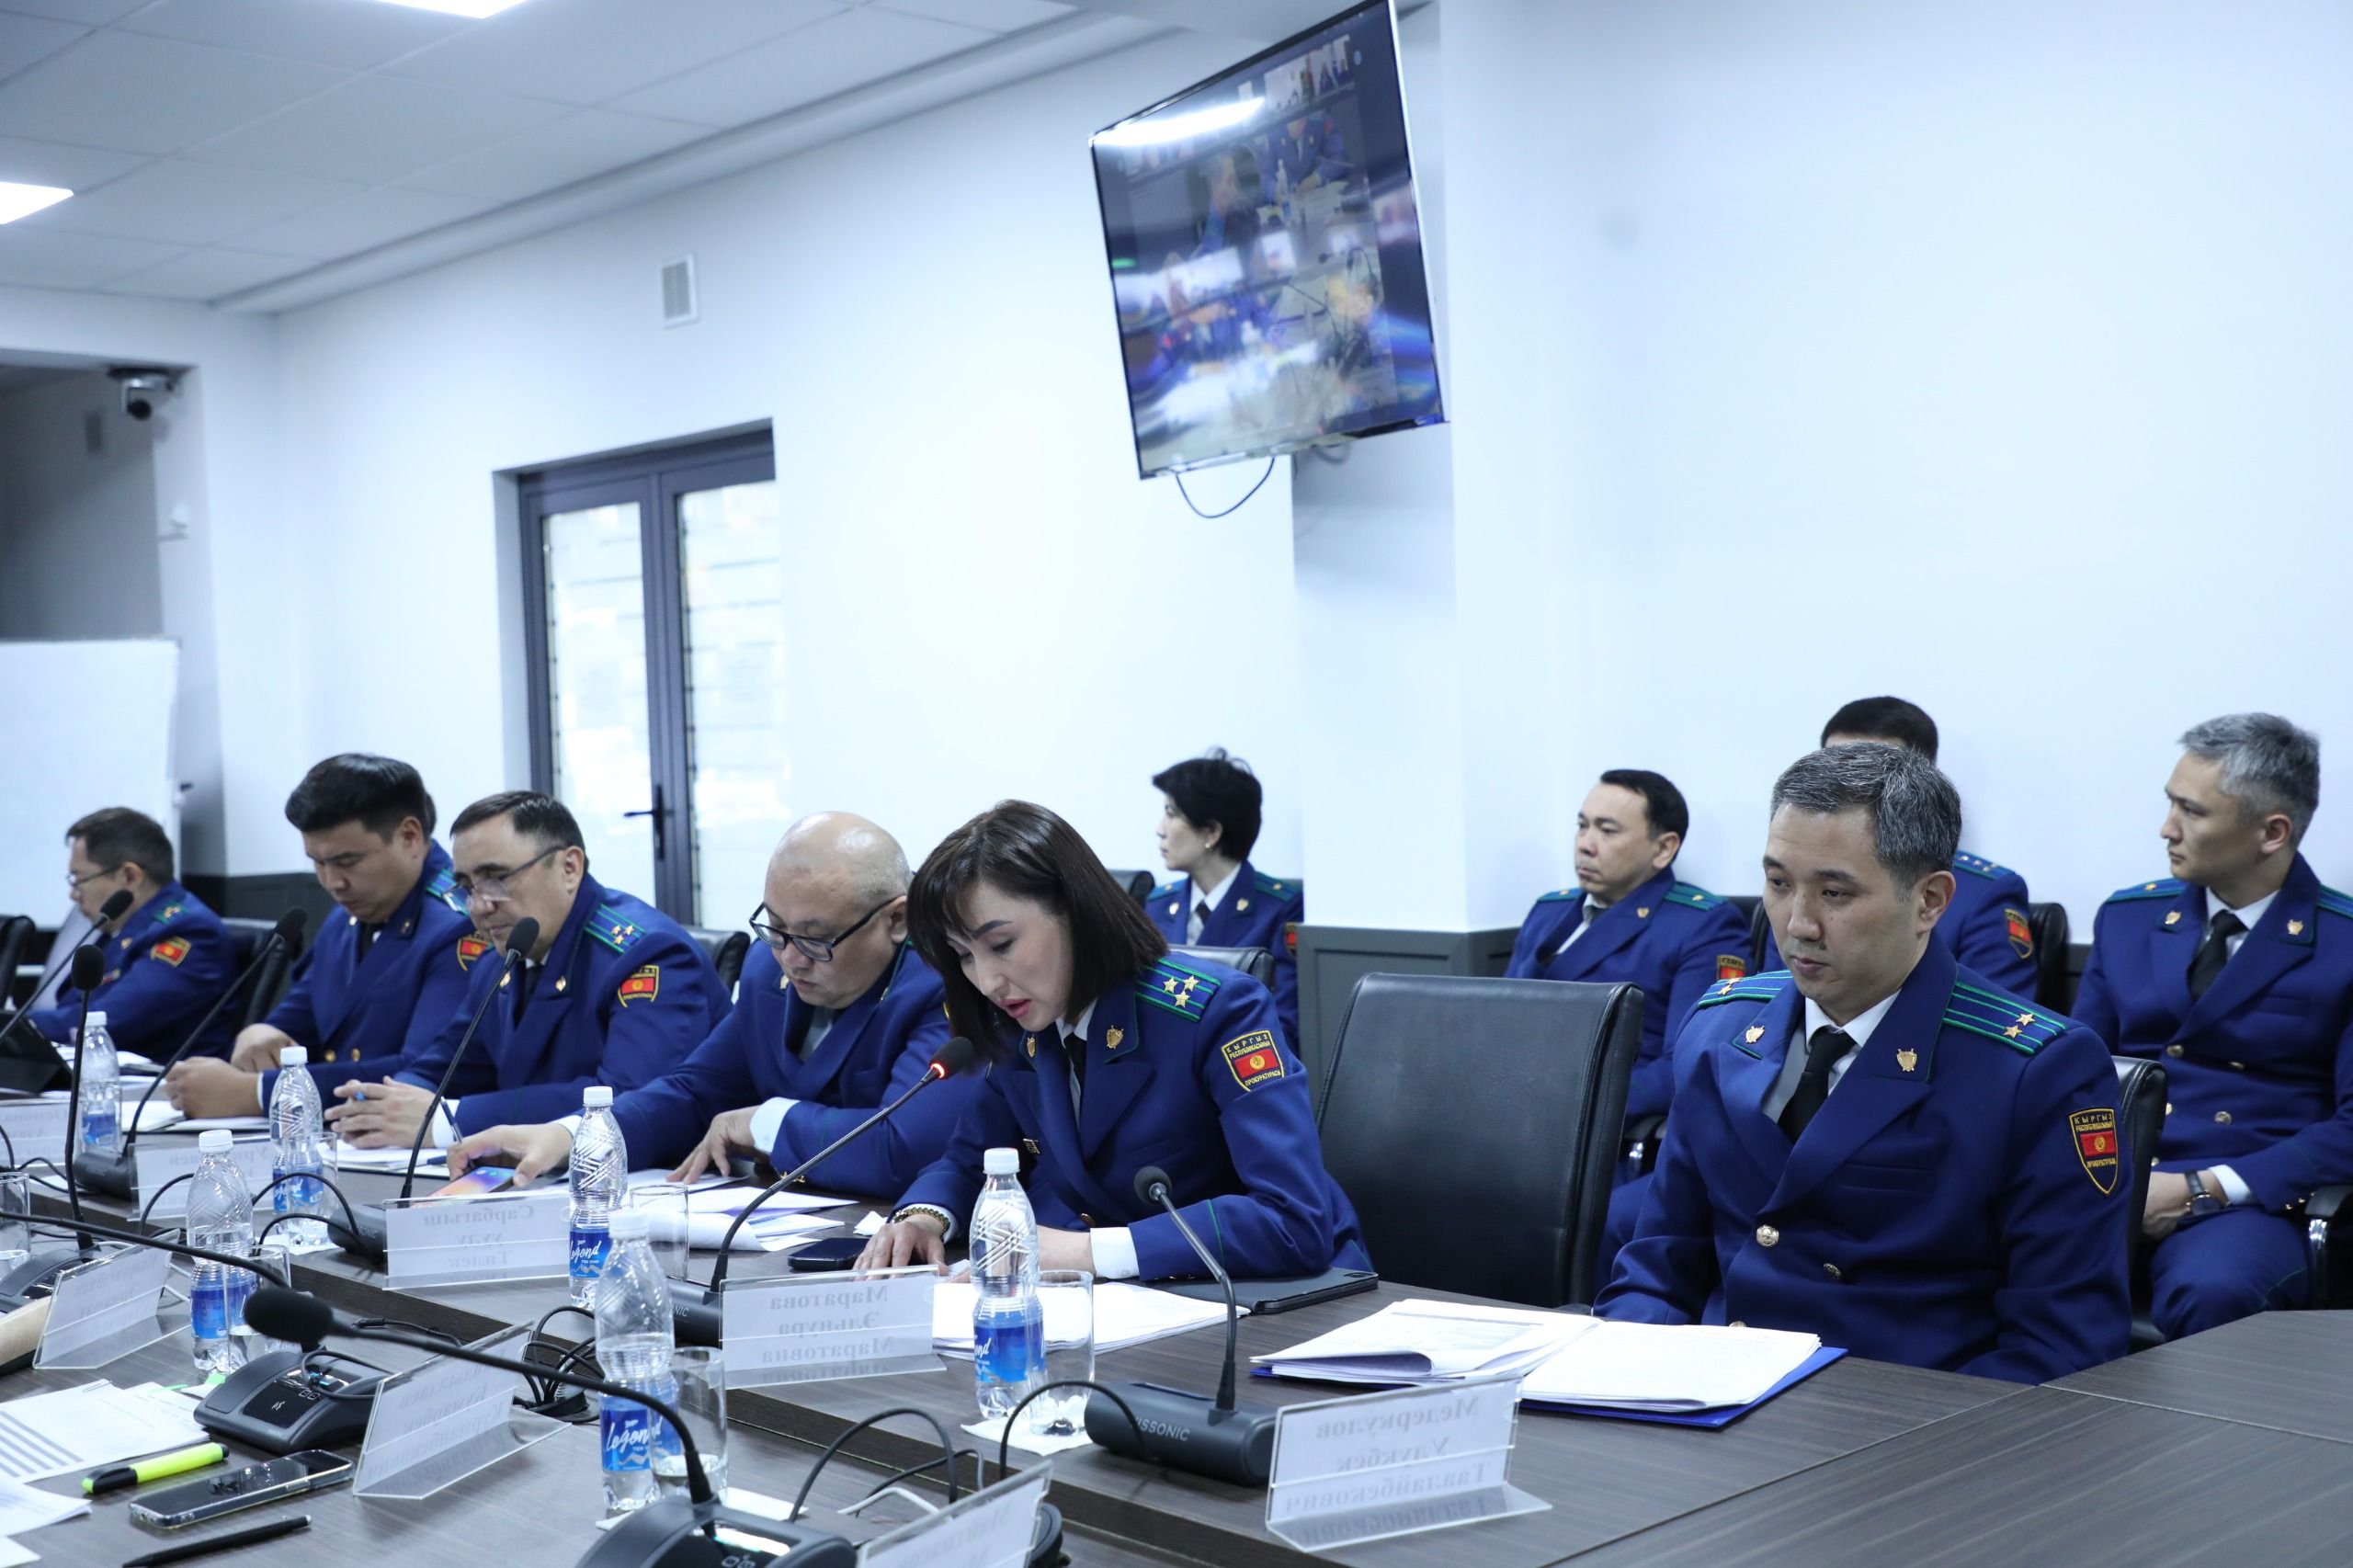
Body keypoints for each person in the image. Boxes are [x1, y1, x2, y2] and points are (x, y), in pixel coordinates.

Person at [1600, 744, 2129, 1383]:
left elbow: (2059, 1350)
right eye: (1778, 884)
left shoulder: (2033, 1069)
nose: (1798, 924)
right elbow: (1658, 1271)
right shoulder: (1720, 1026)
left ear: (1929, 901)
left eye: (1835, 893)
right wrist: (1619, 1383)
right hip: (1714, 1400)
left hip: (1902, 1421)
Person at [860, 801, 1368, 1281]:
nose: (988, 980)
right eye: (964, 956)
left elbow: (1292, 1219)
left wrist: (1086, 1253)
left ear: (1075, 911)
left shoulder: (1220, 1012)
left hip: (1285, 1294)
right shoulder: (1022, 1023)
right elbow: (970, 1160)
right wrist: (923, 1218)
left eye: (1002, 944)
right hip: (1147, 1300)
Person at [446, 812, 978, 1197]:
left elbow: (900, 1147)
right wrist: (573, 1136)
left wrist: (767, 1124)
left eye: (817, 939)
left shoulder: (947, 981)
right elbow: (694, 1091)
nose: (791, 958)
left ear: (896, 919)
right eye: (776, 927)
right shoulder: (766, 967)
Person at [2073, 713, 2351, 1338]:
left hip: (2251, 1198)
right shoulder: (2129, 918)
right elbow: (2074, 1073)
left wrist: (2204, 1188)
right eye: (2171, 803)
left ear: (2271, 832)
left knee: (2213, 1290)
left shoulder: (2344, 943)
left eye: (2192, 812)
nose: (2166, 828)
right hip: (2112, 1176)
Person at [324, 790, 728, 1149]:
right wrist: (385, 1105)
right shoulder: (501, 957)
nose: (479, 905)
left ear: (569, 868)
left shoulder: (645, 954)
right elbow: (448, 1065)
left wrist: (448, 1120)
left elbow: (629, 1098)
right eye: (466, 886)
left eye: (496, 879)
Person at [1505, 769, 1751, 1262]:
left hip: (1613, 1137)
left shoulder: (1701, 925)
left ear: (1663, 849)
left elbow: (1687, 1064)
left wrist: (1573, 1106)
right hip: (1519, 1124)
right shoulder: (1550, 912)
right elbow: (1503, 1026)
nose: (1585, 844)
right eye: (1582, 825)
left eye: (1607, 830)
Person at [163, 755, 472, 1119]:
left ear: (409, 837)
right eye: (317, 862)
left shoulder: (459, 924)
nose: (332, 882)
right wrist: (260, 1032)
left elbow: (428, 1070)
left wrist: (257, 1093)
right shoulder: (349, 914)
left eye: (346, 861)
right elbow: (302, 1014)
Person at [1758, 698, 2040, 996]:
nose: (1800, 926)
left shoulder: (1981, 893)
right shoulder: (1795, 882)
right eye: (1833, 764)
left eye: (1874, 770)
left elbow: (1991, 1013)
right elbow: (1775, 994)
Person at [29, 808, 235, 1061]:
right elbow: (71, 1003)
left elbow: (111, 1022)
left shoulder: (190, 932)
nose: (74, 894)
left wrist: (21, 1026)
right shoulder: (126, 928)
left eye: (79, 879)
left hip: (159, 1081)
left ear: (129, 876)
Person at [1146, 749, 1305, 1047]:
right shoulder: (1158, 905)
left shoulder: (1281, 910)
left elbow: (1284, 1028)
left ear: (1211, 832)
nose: (1160, 829)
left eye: (1171, 813)